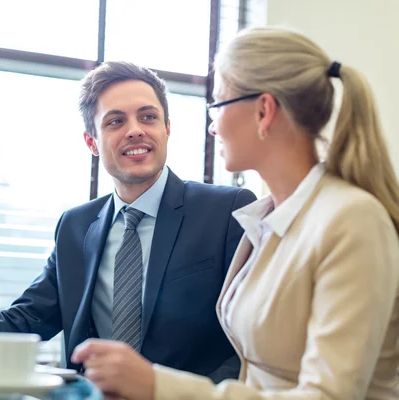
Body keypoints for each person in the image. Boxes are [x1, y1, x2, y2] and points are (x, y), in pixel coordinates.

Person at [71, 28, 399, 399]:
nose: (212, 126)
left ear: (263, 111)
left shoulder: (352, 220)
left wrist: (158, 386)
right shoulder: (266, 220)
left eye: (218, 104)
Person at [0, 61, 256, 381]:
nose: (135, 129)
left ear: (167, 129)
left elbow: (249, 343)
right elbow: (26, 319)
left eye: (148, 117)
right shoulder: (75, 226)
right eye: (115, 121)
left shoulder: (227, 210)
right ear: (92, 142)